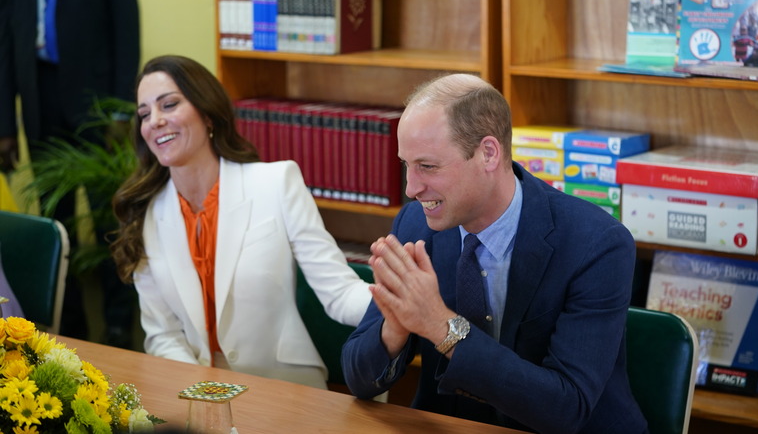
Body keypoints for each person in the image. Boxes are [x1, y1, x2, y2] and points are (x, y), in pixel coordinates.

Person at [341, 74, 648, 433]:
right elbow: (359, 380)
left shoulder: (597, 244)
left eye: (428, 166)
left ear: (488, 153)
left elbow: (566, 408)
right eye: (405, 164)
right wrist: (394, 328)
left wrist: (442, 326)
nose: (411, 187)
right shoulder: (416, 225)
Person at [110, 55, 372, 389]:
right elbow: (163, 336)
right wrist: (203, 394)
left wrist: (399, 304)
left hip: (283, 392)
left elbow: (340, 292)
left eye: (169, 105)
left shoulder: (277, 182)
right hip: (195, 392)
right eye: (145, 114)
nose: (155, 121)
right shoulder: (146, 213)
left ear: (207, 113)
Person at [0, 0, 141, 347]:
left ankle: (120, 323)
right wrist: (4, 126)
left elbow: (127, 35)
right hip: (39, 102)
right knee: (58, 220)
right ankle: (70, 323)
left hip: (96, 106)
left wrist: (122, 113)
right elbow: (3, 47)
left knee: (109, 218)